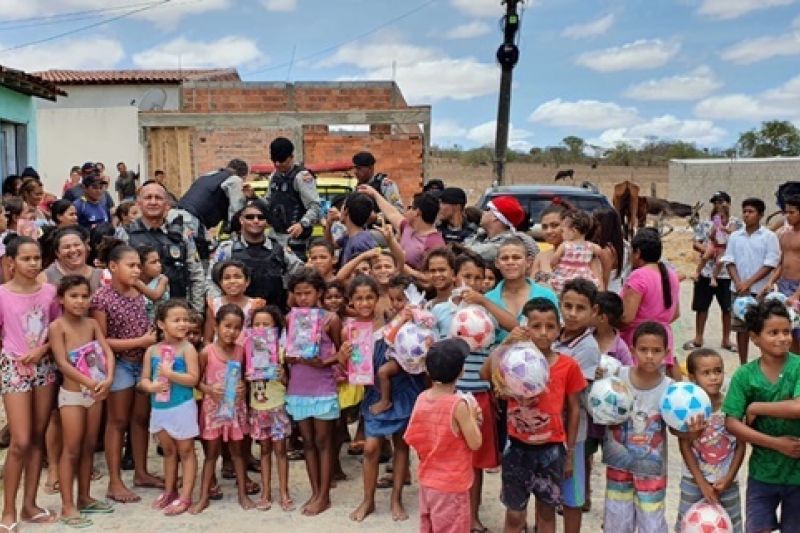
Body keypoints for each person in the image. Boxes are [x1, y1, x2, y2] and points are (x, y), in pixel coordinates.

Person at [482, 297, 586, 533]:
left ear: (559, 330)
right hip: (517, 448)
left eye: (550, 327)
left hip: (552, 450)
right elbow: (484, 374)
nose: (543, 333)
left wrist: (569, 453)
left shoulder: (568, 366)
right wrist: (506, 343)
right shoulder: (510, 363)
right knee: (514, 515)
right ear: (524, 327)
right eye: (536, 326)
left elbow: (574, 409)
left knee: (547, 513)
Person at [343, 275, 423, 523]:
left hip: (402, 388)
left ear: (379, 299)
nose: (365, 302)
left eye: (369, 297)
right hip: (374, 393)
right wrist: (342, 355)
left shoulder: (392, 320)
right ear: (351, 302)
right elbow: (348, 367)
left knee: (401, 445)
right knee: (371, 447)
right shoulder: (350, 328)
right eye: (359, 298)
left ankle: (396, 498)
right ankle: (368, 499)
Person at [723, 300, 800, 533]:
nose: (783, 338)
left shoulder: (798, 367)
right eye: (773, 332)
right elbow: (731, 422)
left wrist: (756, 407)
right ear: (755, 337)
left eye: (786, 331)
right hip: (762, 472)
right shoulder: (745, 376)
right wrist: (777, 444)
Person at [91, 240, 159, 504]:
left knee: (140, 419)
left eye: (138, 266)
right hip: (117, 364)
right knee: (117, 422)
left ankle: (141, 473)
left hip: (141, 363)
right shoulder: (102, 298)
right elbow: (101, 340)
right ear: (112, 266)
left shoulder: (138, 293)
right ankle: (115, 482)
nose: (136, 271)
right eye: (130, 266)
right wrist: (139, 343)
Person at [0, 237, 61, 530]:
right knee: (20, 441)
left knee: (37, 437)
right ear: (11, 262)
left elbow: (58, 331)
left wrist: (44, 349)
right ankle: (8, 510)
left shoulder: (50, 292)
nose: (33, 264)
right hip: (14, 368)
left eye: (37, 258)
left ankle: (29, 504)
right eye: (26, 259)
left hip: (45, 367)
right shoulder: (1, 295)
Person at [49, 275, 116, 527]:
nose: (79, 301)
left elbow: (106, 349)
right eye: (73, 296)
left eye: (84, 296)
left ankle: (85, 497)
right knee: (72, 449)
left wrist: (108, 378)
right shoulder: (57, 327)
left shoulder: (91, 324)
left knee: (89, 445)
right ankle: (67, 506)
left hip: (96, 394)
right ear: (61, 299)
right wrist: (90, 383)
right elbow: (62, 363)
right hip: (74, 396)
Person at [602, 321, 675, 533]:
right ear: (632, 350)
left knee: (651, 521)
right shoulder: (616, 377)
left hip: (651, 469)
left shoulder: (670, 389)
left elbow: (675, 429)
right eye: (643, 350)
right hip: (618, 464)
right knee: (616, 518)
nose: (650, 356)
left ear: (666, 353)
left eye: (656, 350)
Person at [405, 338, 483, 533]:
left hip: (428, 481)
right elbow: (475, 443)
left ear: (429, 371)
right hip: (452, 485)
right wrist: (473, 417)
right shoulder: (459, 405)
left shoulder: (422, 398)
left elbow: (414, 438)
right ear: (461, 371)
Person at [284, 267, 342, 516]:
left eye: (308, 293)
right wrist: (288, 357)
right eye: (298, 294)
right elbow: (286, 351)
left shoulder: (331, 319)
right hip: (299, 385)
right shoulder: (290, 319)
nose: (303, 298)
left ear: (319, 292)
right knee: (306, 441)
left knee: (323, 441)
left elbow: (343, 354)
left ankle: (324, 494)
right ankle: (314, 490)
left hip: (322, 385)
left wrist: (324, 362)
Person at [139, 300, 200, 516]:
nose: (183, 324)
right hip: (159, 408)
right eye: (176, 320)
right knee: (168, 451)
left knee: (186, 451)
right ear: (161, 324)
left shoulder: (187, 349)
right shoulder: (152, 351)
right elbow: (144, 380)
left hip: (182, 407)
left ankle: (185, 496)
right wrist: (152, 386)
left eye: (185, 320)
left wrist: (170, 374)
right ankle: (169, 491)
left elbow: (193, 379)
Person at [191, 304, 253, 514]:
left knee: (238, 453)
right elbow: (196, 382)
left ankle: (242, 494)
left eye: (237, 328)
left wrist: (244, 386)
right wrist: (209, 389)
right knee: (211, 454)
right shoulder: (206, 352)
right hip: (212, 410)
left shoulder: (242, 351)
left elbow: (246, 378)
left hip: (235, 409)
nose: (231, 332)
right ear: (216, 326)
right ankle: (203, 497)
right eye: (227, 326)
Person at [676, 348, 744, 532]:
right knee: (688, 524)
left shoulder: (732, 405)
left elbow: (740, 445)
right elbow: (684, 446)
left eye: (717, 371)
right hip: (693, 482)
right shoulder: (688, 409)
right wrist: (702, 483)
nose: (714, 377)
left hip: (727, 483)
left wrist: (729, 478)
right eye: (706, 373)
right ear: (692, 377)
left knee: (732, 525)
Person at [553, 278, 601, 532]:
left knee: (572, 495)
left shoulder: (587, 347)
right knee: (548, 491)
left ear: (594, 311)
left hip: (573, 433)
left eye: (580, 308)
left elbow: (573, 394)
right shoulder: (552, 334)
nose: (572, 313)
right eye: (567, 306)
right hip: (547, 428)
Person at [122, 181, 205, 311]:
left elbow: (196, 275)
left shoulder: (182, 235)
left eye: (158, 198)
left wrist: (197, 312)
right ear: (139, 203)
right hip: (139, 313)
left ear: (167, 205)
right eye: (148, 197)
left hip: (178, 312)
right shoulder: (126, 234)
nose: (153, 202)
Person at [208, 199, 302, 309]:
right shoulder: (227, 249)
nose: (256, 221)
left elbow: (300, 275)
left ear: (266, 222)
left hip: (273, 315)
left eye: (261, 217)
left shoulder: (280, 250)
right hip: (238, 317)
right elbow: (212, 281)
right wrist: (219, 307)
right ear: (241, 220)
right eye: (250, 217)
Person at [721, 197, 780, 364]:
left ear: (760, 215)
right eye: (744, 211)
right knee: (741, 329)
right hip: (738, 290)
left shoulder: (769, 237)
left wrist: (749, 283)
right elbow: (729, 261)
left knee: (764, 328)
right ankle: (743, 364)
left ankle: (766, 362)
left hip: (759, 291)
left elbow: (770, 264)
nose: (746, 215)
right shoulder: (735, 236)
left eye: (751, 212)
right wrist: (739, 283)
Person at [248, 307, 294, 512]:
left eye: (266, 324)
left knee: (281, 451)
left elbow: (289, 381)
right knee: (264, 450)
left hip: (277, 405)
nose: (260, 328)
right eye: (256, 324)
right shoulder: (248, 350)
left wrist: (282, 373)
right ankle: (266, 492)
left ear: (276, 328)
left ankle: (284, 492)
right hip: (258, 407)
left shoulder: (282, 351)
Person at [620, 228, 682, 380]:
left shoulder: (638, 276)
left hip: (638, 340)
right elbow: (675, 313)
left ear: (638, 252)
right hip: (663, 337)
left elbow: (627, 317)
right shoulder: (671, 275)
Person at [685, 191, 741, 354]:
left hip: (727, 273)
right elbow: (696, 243)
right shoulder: (706, 223)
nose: (718, 204)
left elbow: (739, 241)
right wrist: (709, 251)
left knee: (727, 308)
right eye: (715, 202)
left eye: (721, 201)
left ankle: (726, 339)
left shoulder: (736, 224)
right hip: (707, 272)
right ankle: (698, 338)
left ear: (728, 204)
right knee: (701, 307)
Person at [485, 237, 559, 343]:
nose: (510, 262)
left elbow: (556, 334)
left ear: (528, 262)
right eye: (505, 258)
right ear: (497, 263)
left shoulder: (547, 295)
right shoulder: (488, 299)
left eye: (516, 257)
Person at [358, 185, 444, 271]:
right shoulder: (408, 228)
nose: (406, 211)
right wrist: (374, 194)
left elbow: (431, 278)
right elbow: (392, 213)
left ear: (417, 213)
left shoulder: (435, 243)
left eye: (410, 208)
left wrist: (401, 265)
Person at [177, 158, 248, 255]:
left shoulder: (209, 175)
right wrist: (238, 232)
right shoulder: (235, 180)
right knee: (198, 260)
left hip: (177, 215)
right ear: (244, 176)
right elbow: (236, 210)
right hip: (192, 221)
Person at [263, 138, 321, 250]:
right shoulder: (274, 176)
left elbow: (315, 206)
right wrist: (254, 198)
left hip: (296, 239)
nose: (278, 164)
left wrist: (302, 224)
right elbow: (268, 201)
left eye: (282, 161)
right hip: (275, 235)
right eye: (274, 161)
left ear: (291, 157)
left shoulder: (301, 177)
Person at [763, 194, 800, 351]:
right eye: (786, 212)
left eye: (792, 212)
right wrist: (771, 282)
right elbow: (781, 263)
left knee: (798, 331)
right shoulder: (784, 234)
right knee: (786, 331)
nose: (787, 216)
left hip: (798, 287)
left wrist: (797, 295)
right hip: (784, 285)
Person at [465, 195, 538, 263]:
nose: (483, 212)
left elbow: (465, 252)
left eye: (488, 210)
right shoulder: (482, 236)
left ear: (496, 217)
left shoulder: (507, 244)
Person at [550, 209, 603, 294]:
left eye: (563, 231)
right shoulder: (590, 246)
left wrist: (554, 266)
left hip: (565, 277)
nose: (561, 233)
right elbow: (600, 251)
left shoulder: (565, 245)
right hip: (584, 278)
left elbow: (554, 260)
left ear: (574, 231)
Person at [42, 227, 103, 293]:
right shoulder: (46, 277)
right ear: (57, 253)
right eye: (66, 247)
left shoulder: (102, 275)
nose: (73, 250)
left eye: (77, 245)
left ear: (85, 247)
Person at [325, 192, 377, 267]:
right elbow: (331, 246)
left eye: (342, 207)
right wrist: (329, 224)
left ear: (346, 210)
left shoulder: (360, 243)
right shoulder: (349, 236)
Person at [591, 207, 627, 293]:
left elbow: (604, 282)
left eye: (595, 223)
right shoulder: (621, 246)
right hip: (616, 290)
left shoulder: (605, 251)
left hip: (608, 293)